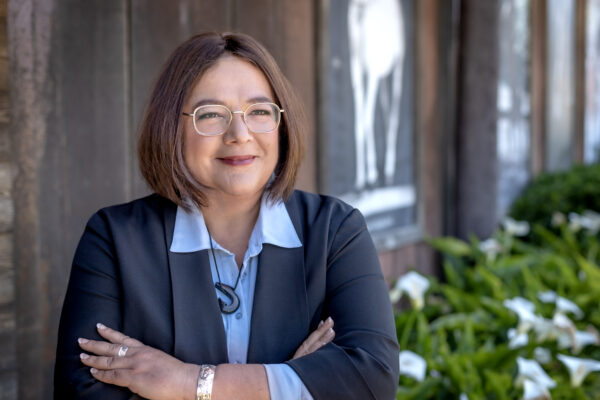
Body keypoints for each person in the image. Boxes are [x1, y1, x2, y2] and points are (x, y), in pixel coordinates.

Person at [54, 32, 399, 399]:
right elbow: (81, 392)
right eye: (212, 114)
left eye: (259, 112)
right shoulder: (113, 239)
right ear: (171, 127)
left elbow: (372, 380)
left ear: (281, 124)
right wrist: (290, 383)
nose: (240, 133)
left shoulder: (335, 231)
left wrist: (184, 382)